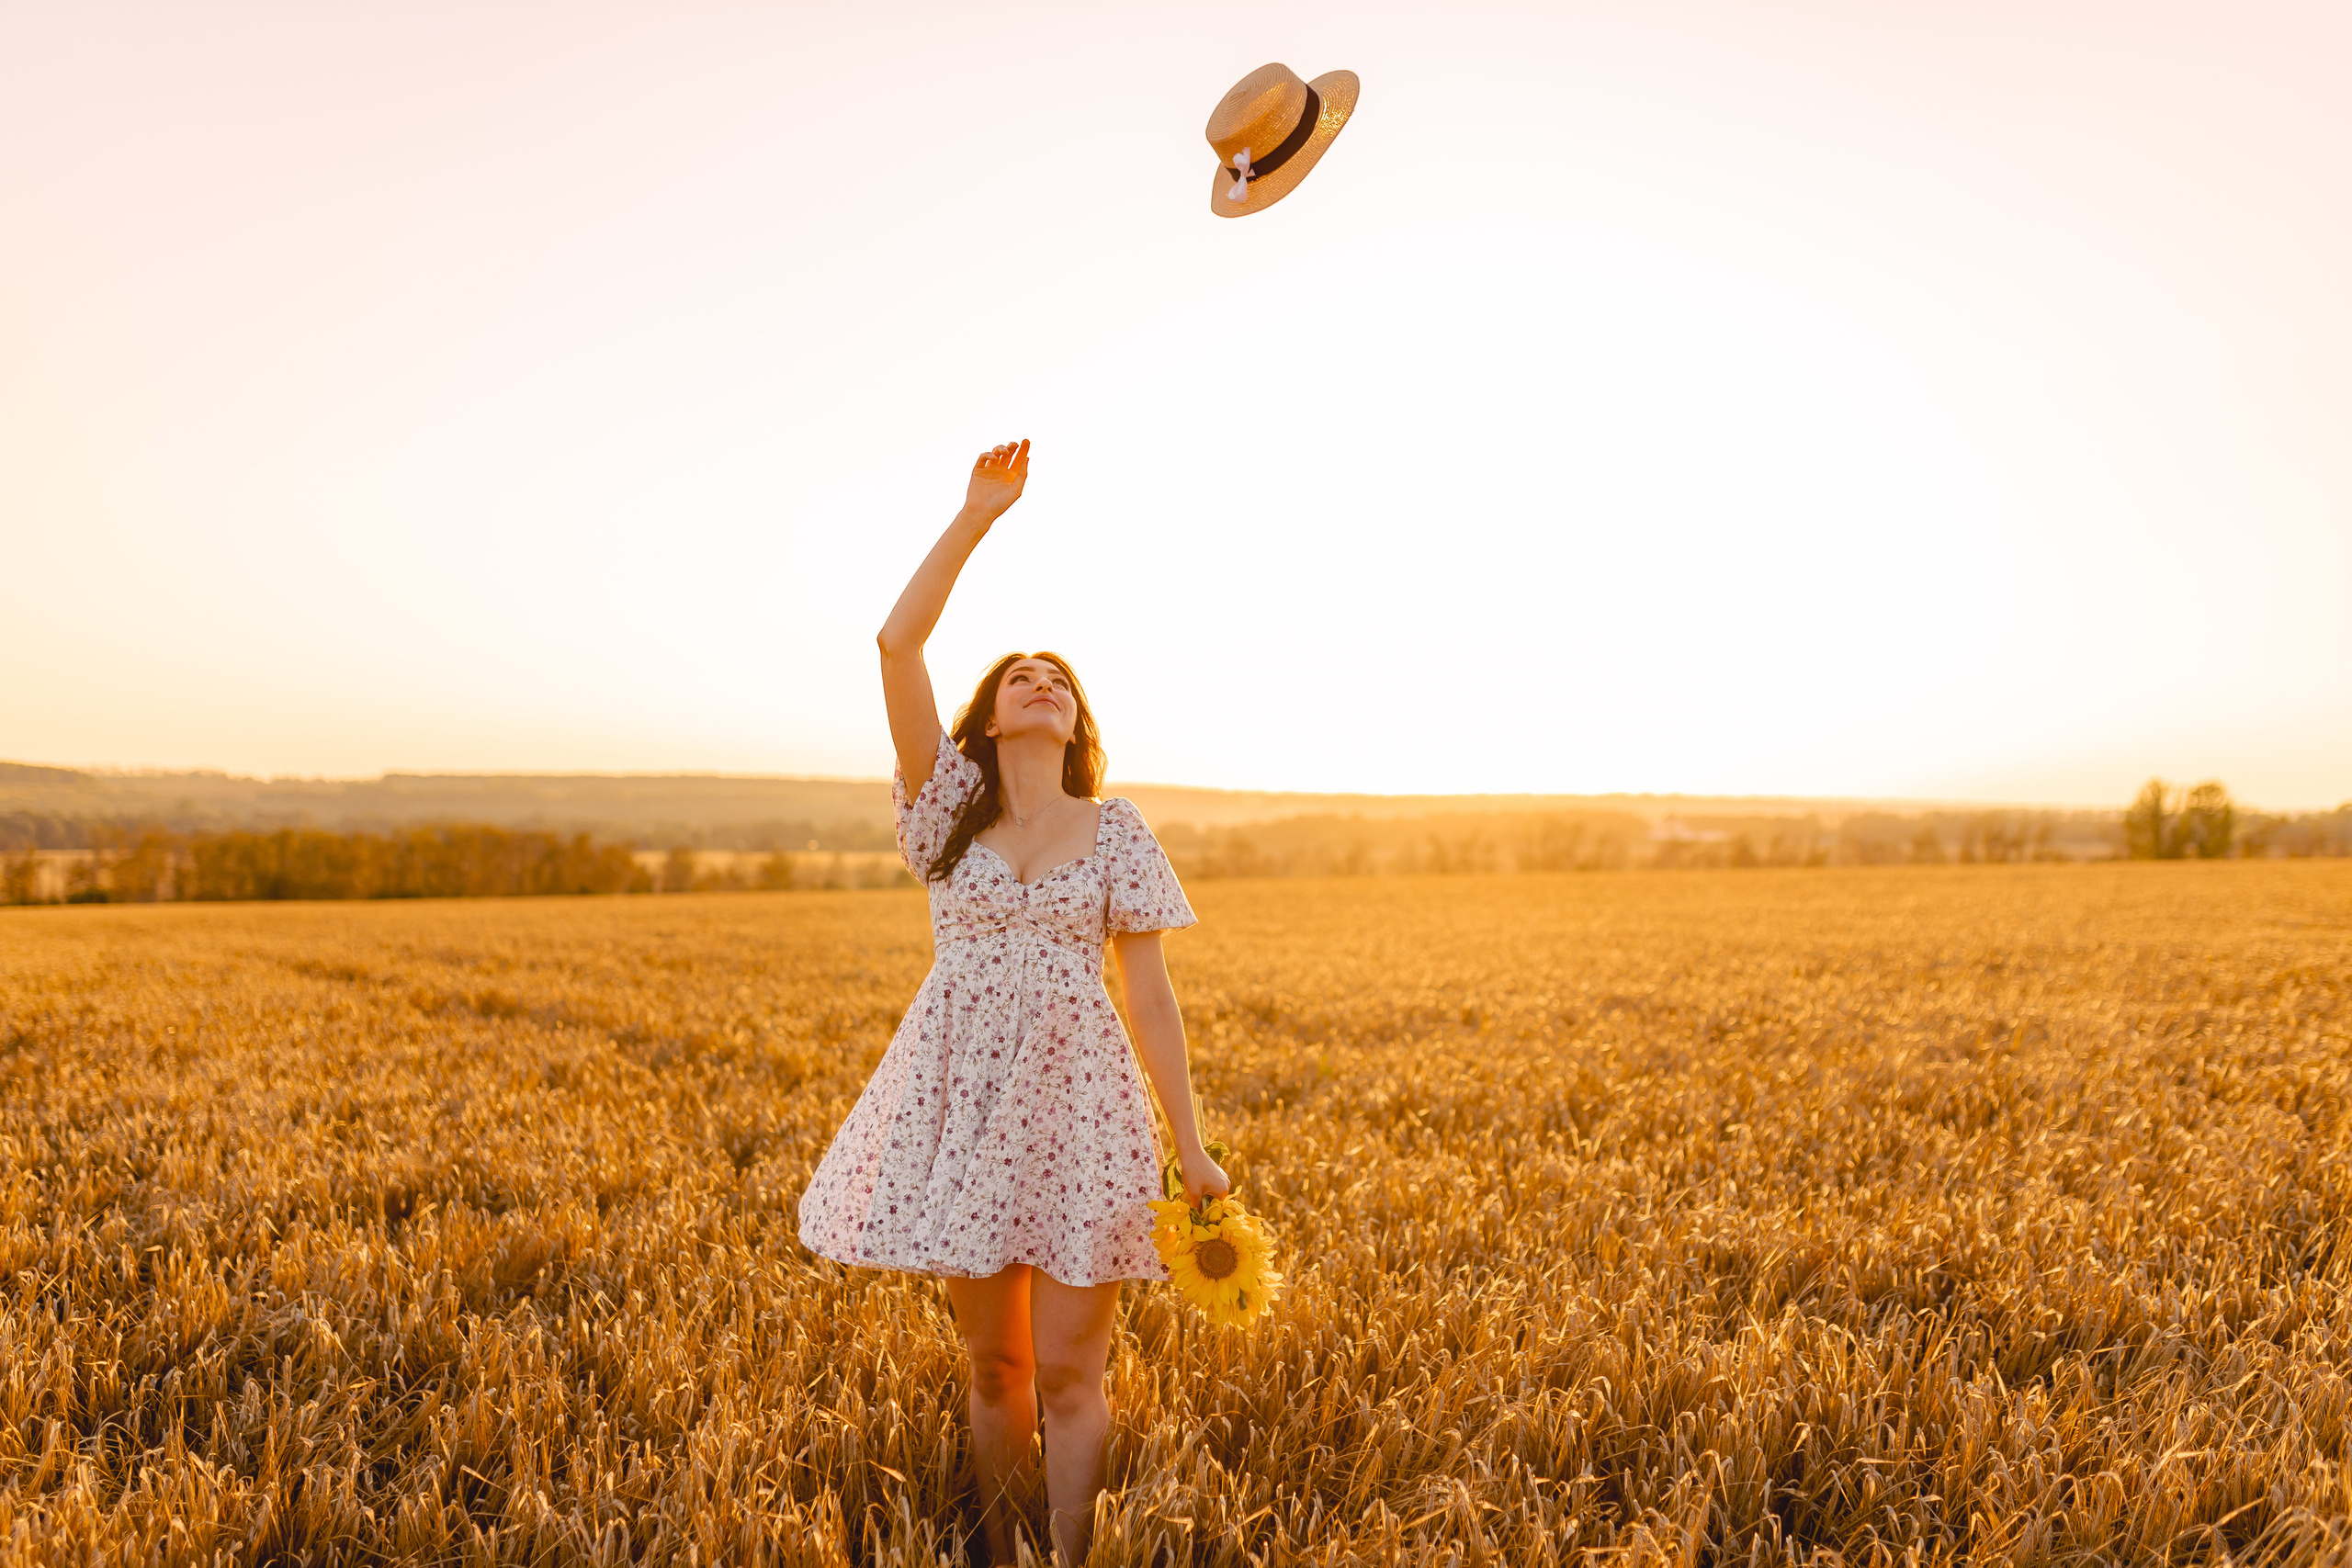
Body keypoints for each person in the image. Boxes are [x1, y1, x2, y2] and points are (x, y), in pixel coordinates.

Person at [797, 440, 1227, 1564]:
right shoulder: (942, 812)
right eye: (1018, 678)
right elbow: (896, 643)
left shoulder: (1119, 831)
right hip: (965, 1099)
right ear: (987, 721)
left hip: (1083, 1101)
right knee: (997, 1367)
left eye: (1060, 679)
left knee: (1077, 1372)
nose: (1042, 682)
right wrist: (976, 515)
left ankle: (1073, 1559)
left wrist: (1194, 1149)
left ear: (1076, 724)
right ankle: (997, 1549)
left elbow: (1150, 998)